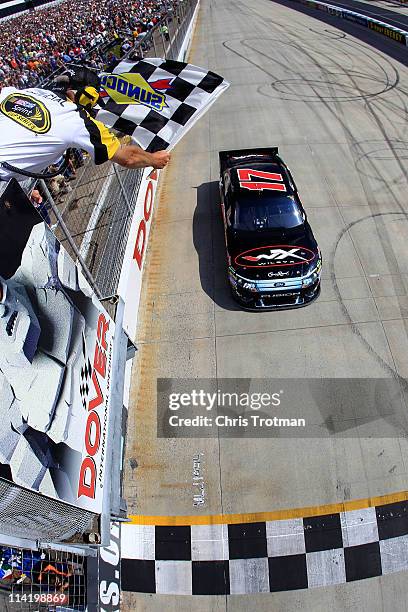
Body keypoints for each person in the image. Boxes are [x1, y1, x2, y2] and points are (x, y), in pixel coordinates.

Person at [0, 65, 170, 182]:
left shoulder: (20, 92)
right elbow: (128, 157)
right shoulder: (78, 119)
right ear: (86, 96)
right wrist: (154, 159)